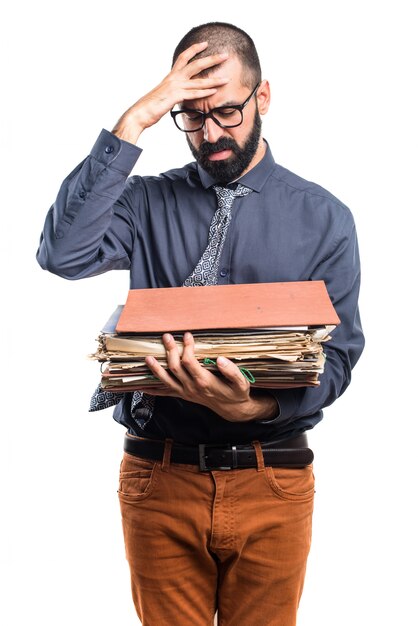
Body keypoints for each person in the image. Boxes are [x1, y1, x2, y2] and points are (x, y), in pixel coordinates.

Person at [36, 21, 364, 626]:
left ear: (263, 98)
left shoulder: (324, 218)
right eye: (190, 116)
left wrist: (254, 410)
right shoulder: (143, 201)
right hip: (158, 478)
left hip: (274, 480)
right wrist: (133, 123)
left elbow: (338, 360)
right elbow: (62, 254)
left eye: (228, 112)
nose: (210, 134)